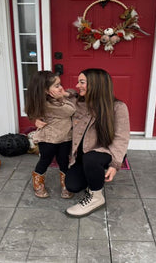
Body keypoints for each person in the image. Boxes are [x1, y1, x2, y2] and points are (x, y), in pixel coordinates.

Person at [64, 68, 130, 217]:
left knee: (92, 159)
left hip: (105, 152)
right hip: (82, 155)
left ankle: (96, 197)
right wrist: (38, 118)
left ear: (96, 84)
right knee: (73, 186)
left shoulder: (117, 107)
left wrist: (115, 164)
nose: (77, 85)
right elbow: (56, 99)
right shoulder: (77, 102)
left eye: (82, 82)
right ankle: (93, 175)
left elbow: (121, 137)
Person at [25, 71, 76, 199]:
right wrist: (63, 96)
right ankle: (38, 182)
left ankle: (66, 184)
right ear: (46, 91)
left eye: (60, 84)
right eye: (57, 86)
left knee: (64, 160)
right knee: (45, 160)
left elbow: (73, 93)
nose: (61, 88)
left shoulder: (52, 100)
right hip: (49, 139)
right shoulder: (49, 104)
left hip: (65, 137)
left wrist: (63, 94)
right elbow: (71, 109)